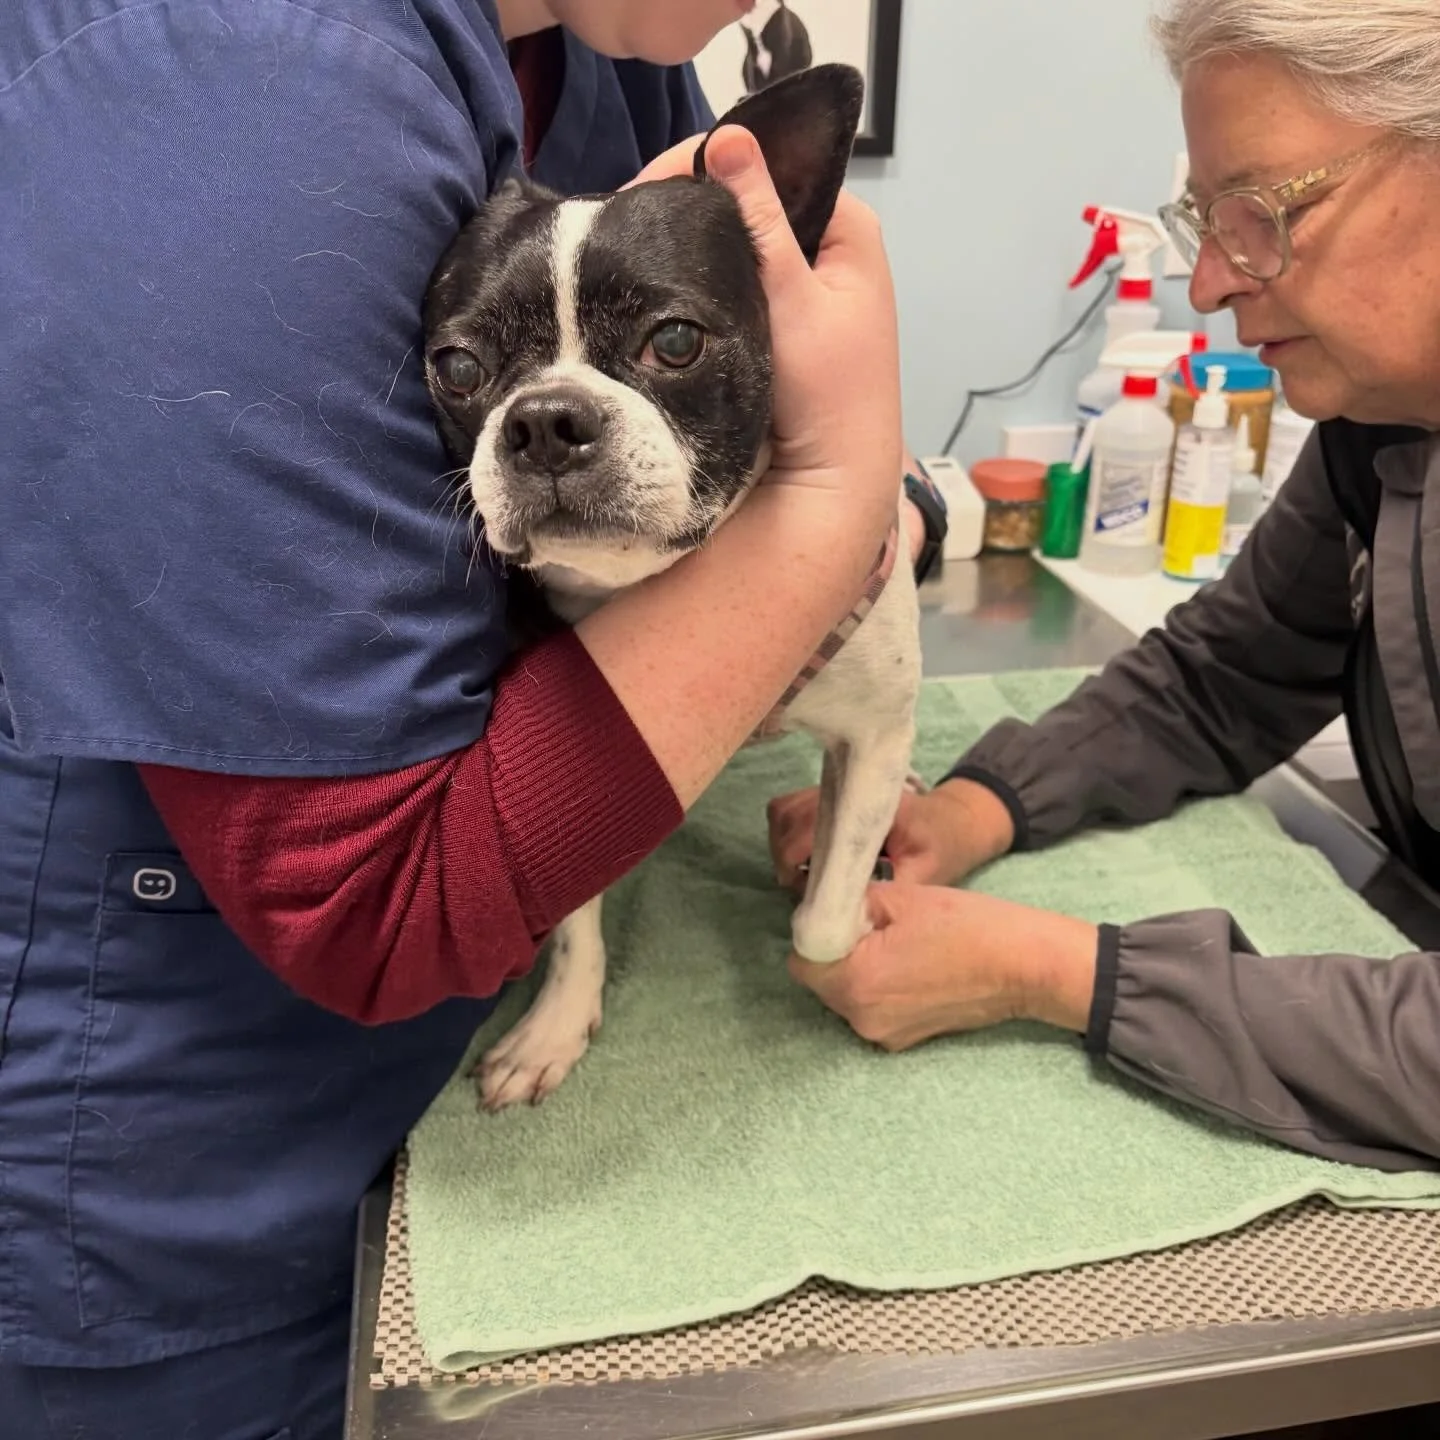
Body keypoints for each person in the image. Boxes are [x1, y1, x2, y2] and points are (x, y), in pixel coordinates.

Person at [0, 1, 941, 1434]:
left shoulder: (614, 57)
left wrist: (897, 494)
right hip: (173, 1155)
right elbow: (370, 895)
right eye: (464, 374)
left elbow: (762, 381)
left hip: (438, 1083)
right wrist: (835, 501)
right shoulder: (233, 70)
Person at [771, 0, 1440, 1177]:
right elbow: (1220, 679)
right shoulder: (1377, 431)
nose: (1217, 282)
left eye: (1265, 213)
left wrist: (1050, 971)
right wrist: (971, 812)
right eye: (1204, 220)